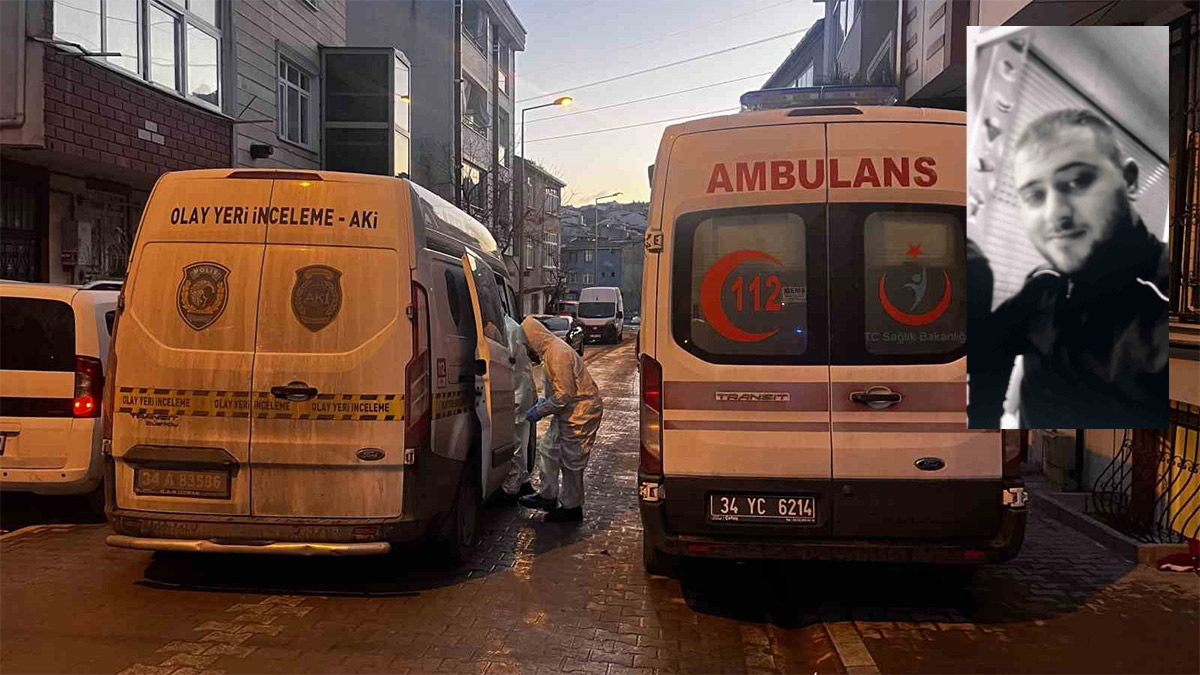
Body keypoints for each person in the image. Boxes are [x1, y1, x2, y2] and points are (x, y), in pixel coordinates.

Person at [968, 109, 1168, 429]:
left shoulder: (1174, 304)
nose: (1055, 214)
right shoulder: (1043, 286)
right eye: (1035, 195)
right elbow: (987, 356)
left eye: (1078, 181)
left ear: (1129, 180)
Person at [518, 315, 604, 522]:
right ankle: (547, 495)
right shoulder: (550, 352)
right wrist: (544, 403)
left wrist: (541, 410)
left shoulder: (557, 354)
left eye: (527, 345)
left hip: (580, 412)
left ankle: (572, 508)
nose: (528, 350)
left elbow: (565, 394)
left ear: (534, 338)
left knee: (572, 461)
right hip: (567, 411)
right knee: (549, 449)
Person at [496, 315, 536, 505]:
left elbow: (505, 361)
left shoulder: (507, 329)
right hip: (522, 391)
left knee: (516, 443)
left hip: (517, 394)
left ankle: (512, 489)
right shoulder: (511, 326)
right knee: (521, 440)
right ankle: (524, 480)